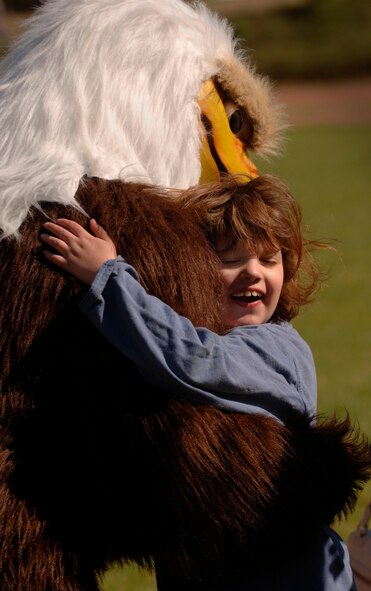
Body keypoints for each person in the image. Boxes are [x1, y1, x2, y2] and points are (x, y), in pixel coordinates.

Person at [40, 174, 356, 591]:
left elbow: (192, 358)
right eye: (231, 259)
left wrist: (107, 278)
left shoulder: (277, 348)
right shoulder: (232, 335)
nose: (253, 273)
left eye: (268, 259)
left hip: (291, 572)